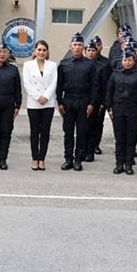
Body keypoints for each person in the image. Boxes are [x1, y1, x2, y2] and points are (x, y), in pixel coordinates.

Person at [56, 33, 97, 171]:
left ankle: (78, 159)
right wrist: (60, 102)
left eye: (80, 45)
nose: (77, 47)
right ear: (70, 47)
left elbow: (94, 86)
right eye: (75, 45)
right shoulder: (64, 64)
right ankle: (68, 159)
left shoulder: (90, 65)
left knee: (81, 132)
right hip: (68, 100)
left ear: (83, 47)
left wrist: (91, 103)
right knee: (68, 132)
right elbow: (59, 85)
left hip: (84, 100)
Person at [107, 49, 137, 175]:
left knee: (131, 138)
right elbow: (109, 92)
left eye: (130, 60)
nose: (127, 62)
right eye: (125, 60)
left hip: (133, 109)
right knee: (119, 138)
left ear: (134, 61)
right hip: (118, 109)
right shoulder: (115, 75)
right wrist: (109, 108)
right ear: (121, 61)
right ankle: (119, 164)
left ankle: (129, 164)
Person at [22, 40, 57, 171]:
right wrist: (38, 96)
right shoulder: (28, 65)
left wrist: (46, 97)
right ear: (35, 51)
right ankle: (34, 158)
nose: (41, 52)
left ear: (47, 52)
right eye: (39, 50)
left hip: (48, 103)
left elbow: (54, 83)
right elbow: (27, 83)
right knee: (34, 131)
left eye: (44, 50)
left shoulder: (52, 65)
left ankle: (42, 159)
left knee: (45, 132)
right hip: (34, 102)